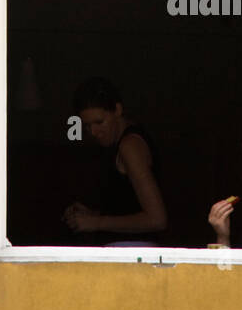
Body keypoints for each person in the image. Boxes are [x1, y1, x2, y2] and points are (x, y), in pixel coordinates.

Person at [62, 77, 167, 245]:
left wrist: (96, 223)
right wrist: (92, 216)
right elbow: (129, 207)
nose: (94, 131)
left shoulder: (130, 145)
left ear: (117, 110)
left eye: (99, 122)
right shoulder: (118, 144)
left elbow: (157, 219)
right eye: (87, 126)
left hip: (135, 256)